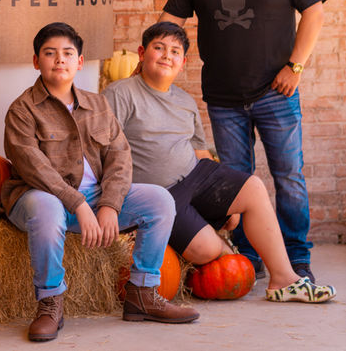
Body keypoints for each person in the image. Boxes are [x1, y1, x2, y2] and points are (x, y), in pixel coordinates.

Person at [158, 0, 327, 282]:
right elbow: (169, 22)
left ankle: (297, 259)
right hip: (224, 99)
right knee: (235, 184)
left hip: (277, 93)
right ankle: (248, 257)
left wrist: (295, 67)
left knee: (289, 178)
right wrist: (147, 59)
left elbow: (315, 11)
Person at [102, 21, 336, 304]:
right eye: (158, 48)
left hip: (196, 176)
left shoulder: (184, 101)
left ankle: (284, 279)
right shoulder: (120, 94)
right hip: (161, 195)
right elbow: (103, 151)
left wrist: (224, 201)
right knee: (206, 251)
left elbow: (201, 154)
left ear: (182, 63)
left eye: (175, 51)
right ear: (142, 53)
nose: (166, 56)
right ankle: (224, 257)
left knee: (253, 188)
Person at [0, 22, 199, 343]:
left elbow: (120, 158)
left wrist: (110, 204)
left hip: (95, 198)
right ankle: (50, 302)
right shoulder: (22, 111)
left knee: (160, 200)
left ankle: (142, 293)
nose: (60, 59)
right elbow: (35, 169)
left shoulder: (98, 105)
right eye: (50, 53)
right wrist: (78, 204)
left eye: (68, 53)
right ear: (36, 61)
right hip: (40, 198)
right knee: (48, 207)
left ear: (80, 62)